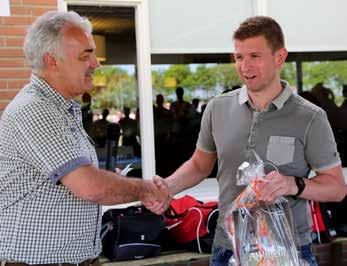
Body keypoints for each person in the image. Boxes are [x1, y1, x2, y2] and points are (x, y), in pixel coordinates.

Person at [152, 16, 345, 266]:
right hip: (227, 250)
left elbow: (337, 188)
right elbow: (200, 165)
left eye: (255, 56)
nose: (245, 66)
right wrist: (166, 188)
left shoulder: (310, 117)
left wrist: (292, 184)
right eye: (239, 57)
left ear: (279, 57)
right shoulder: (217, 108)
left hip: (288, 252)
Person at [0, 11, 170, 265]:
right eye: (85, 55)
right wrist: (145, 190)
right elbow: (90, 186)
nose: (96, 63)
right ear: (52, 61)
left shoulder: (60, 108)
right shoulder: (35, 109)